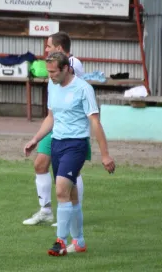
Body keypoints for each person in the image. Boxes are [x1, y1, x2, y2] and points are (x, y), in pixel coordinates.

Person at [23, 52, 115, 256]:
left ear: (66, 69)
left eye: (54, 71)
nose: (50, 75)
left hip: (76, 145)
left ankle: (60, 241)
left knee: (61, 190)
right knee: (71, 197)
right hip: (57, 144)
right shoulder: (52, 85)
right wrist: (35, 139)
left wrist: (105, 155)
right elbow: (51, 117)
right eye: (48, 72)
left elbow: (95, 123)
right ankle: (79, 242)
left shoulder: (84, 89)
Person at [23, 31, 86, 227]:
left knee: (70, 172)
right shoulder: (54, 69)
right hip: (54, 123)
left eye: (49, 46)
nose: (46, 50)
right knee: (40, 164)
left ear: (59, 49)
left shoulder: (73, 64)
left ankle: (73, 212)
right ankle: (46, 211)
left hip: (71, 127)